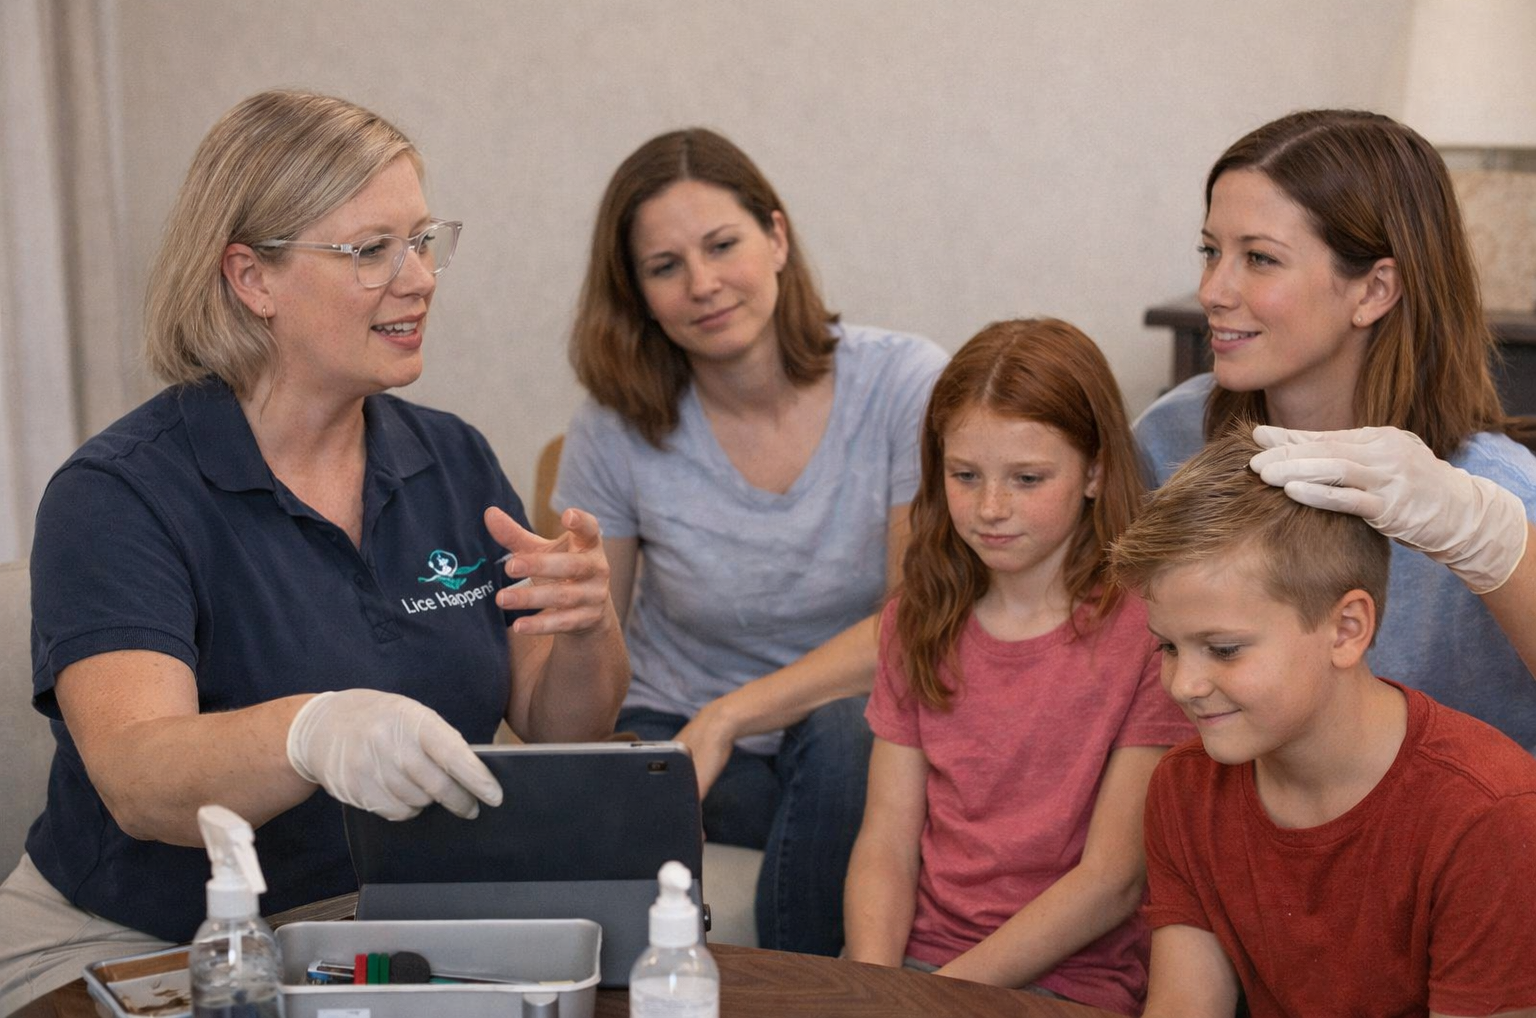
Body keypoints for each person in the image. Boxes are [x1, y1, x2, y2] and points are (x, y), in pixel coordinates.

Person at [0, 89, 628, 1012]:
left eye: (423, 240)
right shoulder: (120, 494)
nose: (419, 278)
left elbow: (556, 727)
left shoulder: (452, 458)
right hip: (144, 940)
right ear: (252, 279)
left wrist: (585, 625)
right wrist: (309, 733)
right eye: (371, 251)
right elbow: (139, 778)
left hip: (375, 931)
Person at [554, 127, 947, 954]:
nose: (703, 284)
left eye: (722, 244)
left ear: (776, 236)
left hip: (839, 721)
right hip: (677, 731)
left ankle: (812, 1002)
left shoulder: (903, 384)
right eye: (665, 267)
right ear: (639, 294)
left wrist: (732, 715)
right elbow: (596, 652)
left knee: (850, 740)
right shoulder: (613, 428)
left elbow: (917, 621)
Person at [1133, 108, 1536, 749]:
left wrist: (1492, 546)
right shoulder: (1168, 439)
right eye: (1211, 251)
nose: (1213, 289)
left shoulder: (1494, 494)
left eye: (1260, 258)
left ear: (1375, 290)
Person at [1111, 425, 1536, 1018]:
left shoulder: (1491, 817)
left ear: (1346, 630)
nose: (1184, 686)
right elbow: (1185, 1005)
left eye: (1225, 649)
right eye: (1168, 648)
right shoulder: (1186, 790)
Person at [841, 319, 1191, 1015]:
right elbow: (885, 841)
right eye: (964, 476)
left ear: (1095, 471)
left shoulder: (1152, 630)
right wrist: (877, 987)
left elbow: (1112, 881)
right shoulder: (919, 616)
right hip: (915, 968)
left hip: (1067, 982)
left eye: (1027, 479)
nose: (991, 509)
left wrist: (930, 999)